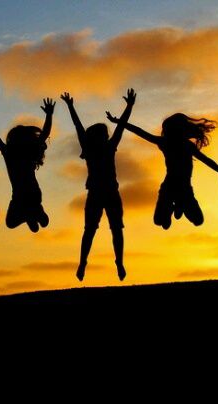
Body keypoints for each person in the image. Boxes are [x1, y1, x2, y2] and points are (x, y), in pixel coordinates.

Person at [106, 111, 218, 230]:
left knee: (198, 220)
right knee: (158, 221)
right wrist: (119, 122)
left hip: (183, 188)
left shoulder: (183, 145)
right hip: (170, 187)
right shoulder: (168, 142)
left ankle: (179, 205)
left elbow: (206, 160)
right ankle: (174, 207)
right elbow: (140, 132)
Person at [61, 89, 136, 282]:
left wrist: (129, 106)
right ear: (100, 136)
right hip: (101, 193)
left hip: (106, 192)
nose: (107, 135)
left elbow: (119, 128)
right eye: (104, 133)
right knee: (98, 230)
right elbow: (79, 126)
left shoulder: (103, 146)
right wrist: (70, 107)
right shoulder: (98, 147)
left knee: (108, 229)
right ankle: (85, 263)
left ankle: (116, 262)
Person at [0, 98, 55, 233]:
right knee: (11, 222)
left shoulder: (10, 152)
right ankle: (33, 215)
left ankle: (34, 214)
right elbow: (45, 134)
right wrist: (49, 115)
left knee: (11, 222)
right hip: (30, 194)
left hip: (22, 195)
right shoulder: (26, 151)